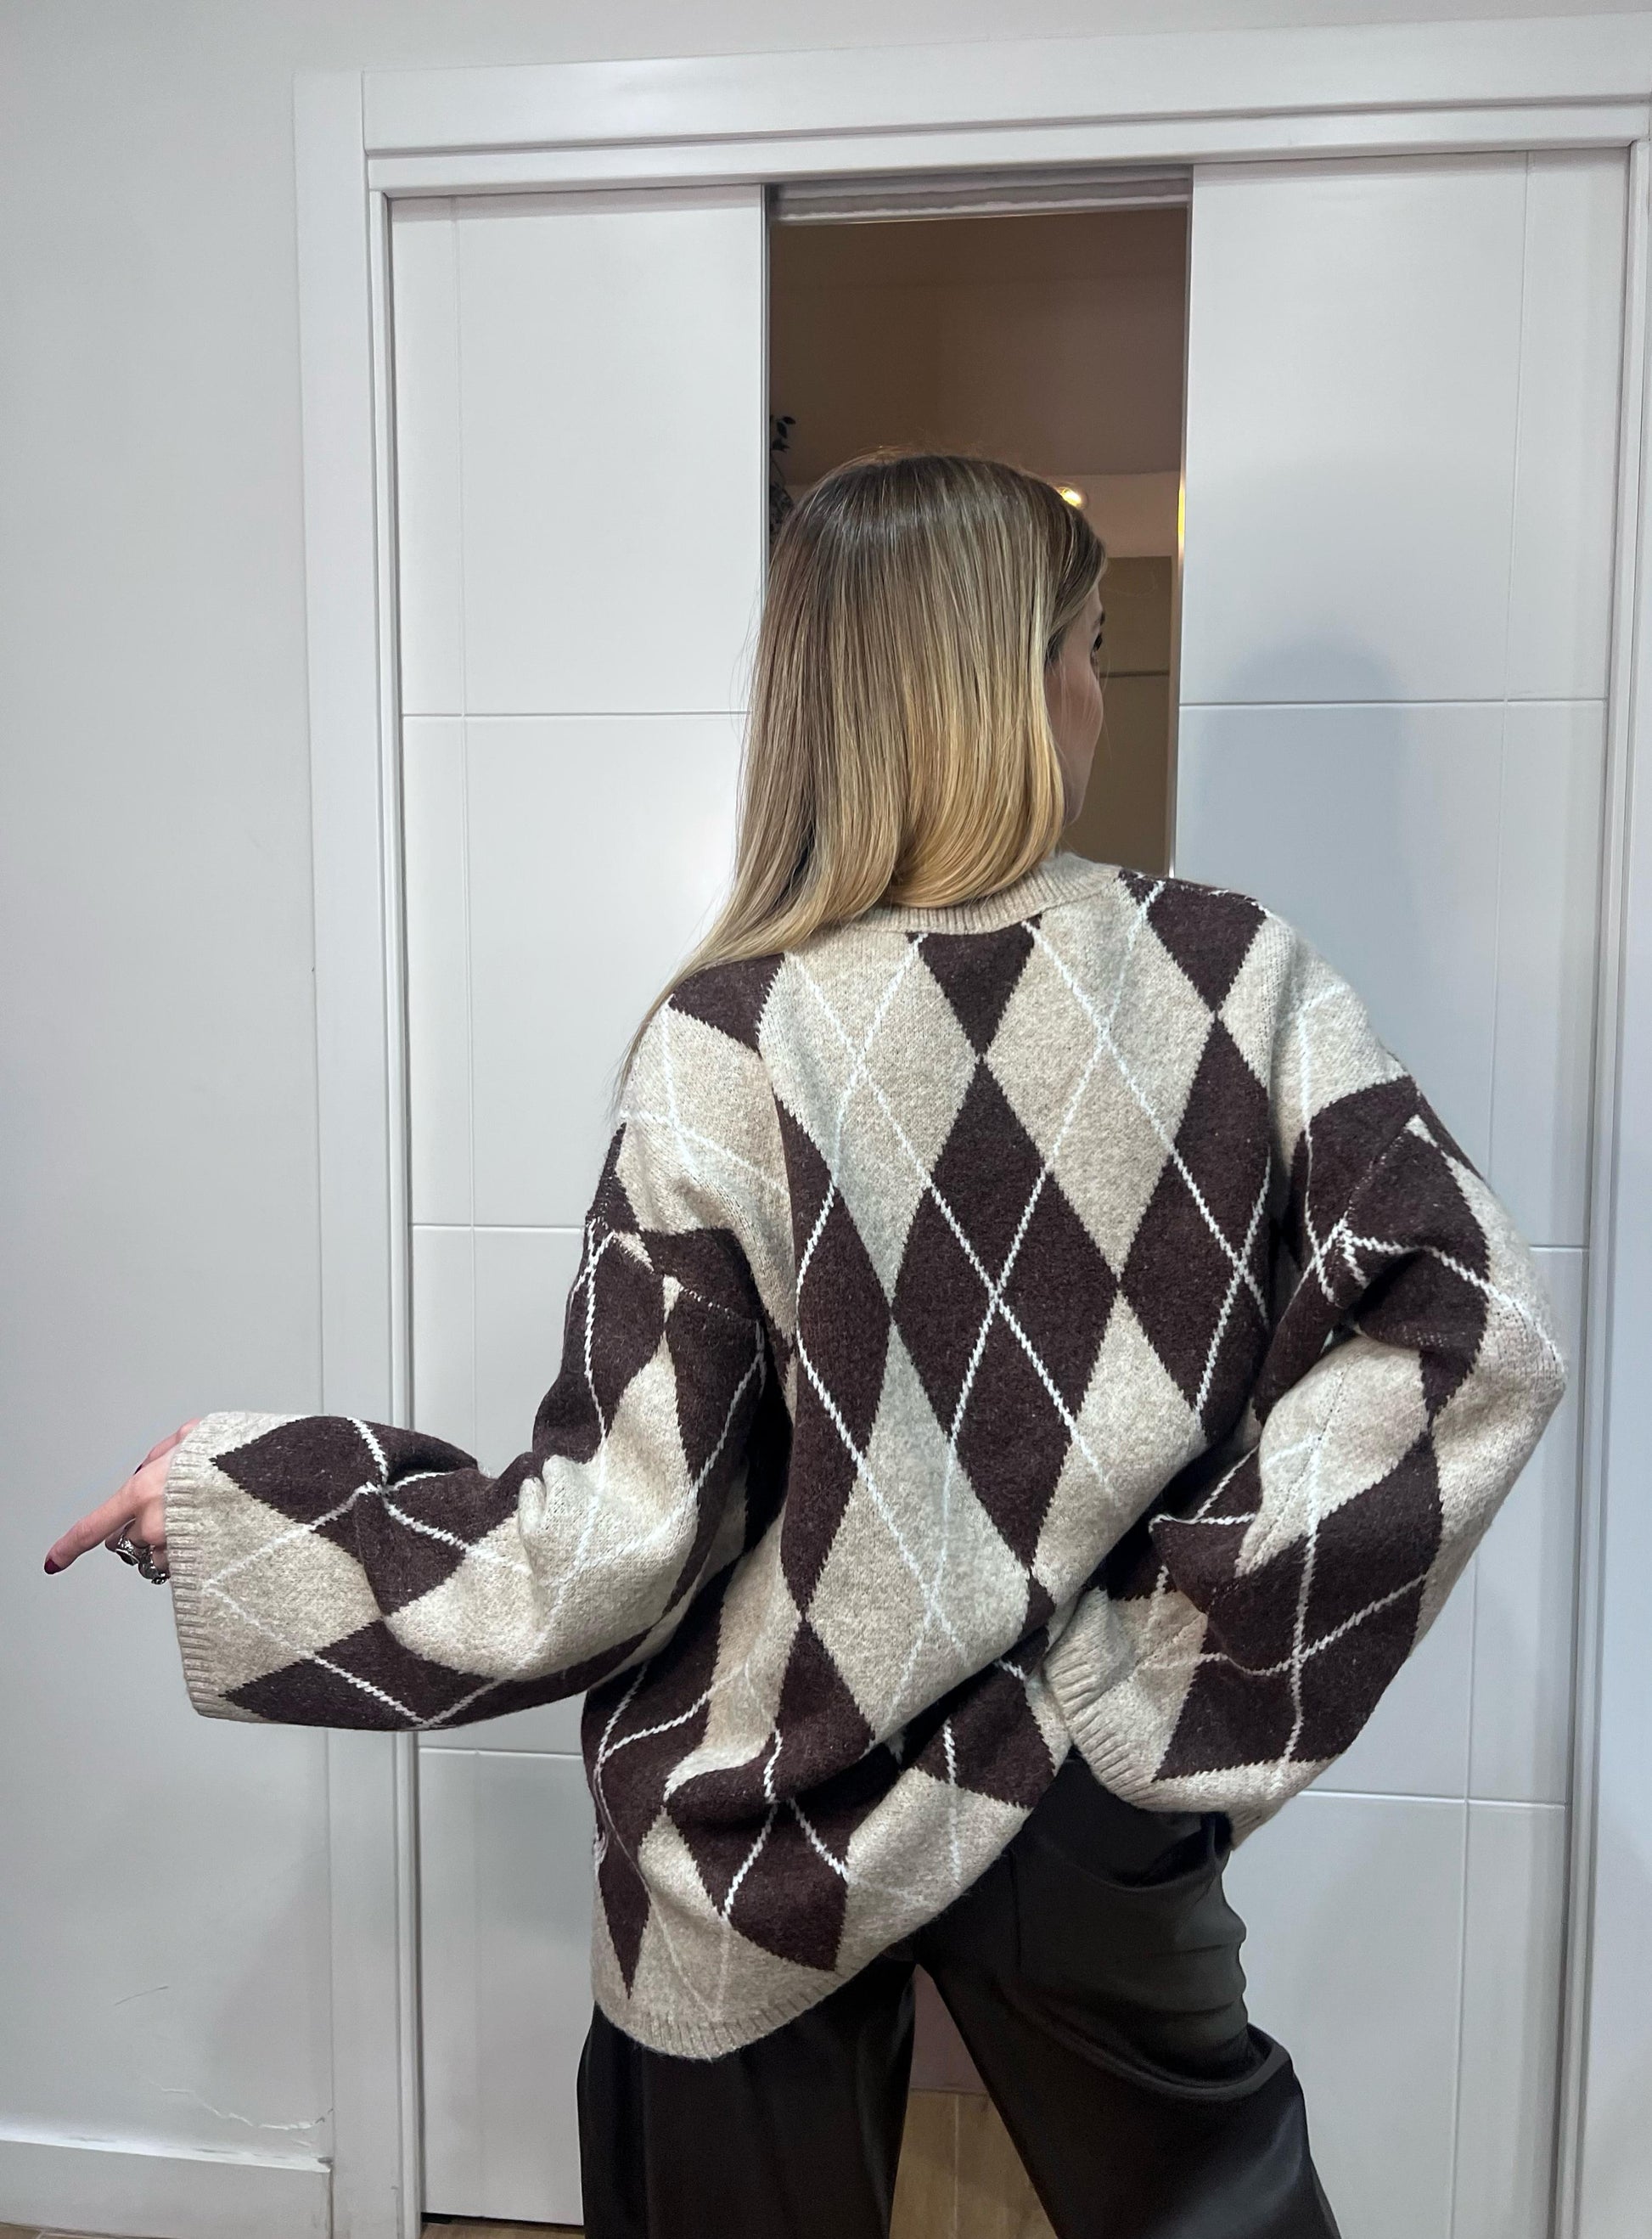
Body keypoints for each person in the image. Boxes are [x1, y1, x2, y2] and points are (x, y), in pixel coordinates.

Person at [46, 453, 1566, 2239]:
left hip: (757, 1811)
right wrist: (1150, 1666)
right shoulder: (1238, 978)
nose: (1094, 692)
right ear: (1001, 683)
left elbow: (614, 1533)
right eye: (1085, 645)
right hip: (1079, 1815)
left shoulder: (731, 1039)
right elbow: (1473, 1329)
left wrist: (241, 1511)